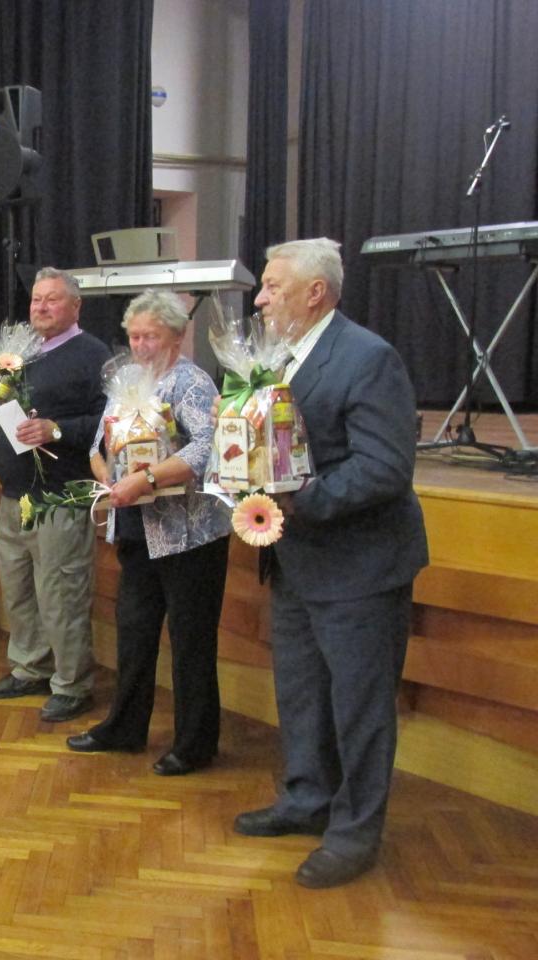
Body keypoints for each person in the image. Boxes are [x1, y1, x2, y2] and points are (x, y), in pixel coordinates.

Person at [232, 238, 427, 889]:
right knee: (303, 695)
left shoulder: (367, 357)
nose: (260, 299)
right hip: (295, 562)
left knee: (360, 709)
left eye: (273, 287)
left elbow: (385, 468)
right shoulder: (276, 361)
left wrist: (300, 500)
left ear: (316, 292)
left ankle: (355, 833)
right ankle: (307, 799)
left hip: (360, 569)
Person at [65, 291, 231, 775]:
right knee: (134, 634)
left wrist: (148, 479)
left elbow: (207, 447)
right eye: (134, 336)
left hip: (189, 535)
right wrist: (105, 474)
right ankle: (125, 727)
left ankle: (195, 743)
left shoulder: (191, 381)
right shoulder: (127, 382)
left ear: (177, 336)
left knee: (190, 641)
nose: (139, 346)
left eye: (150, 337)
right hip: (137, 531)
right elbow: (98, 444)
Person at [0, 267, 111, 723]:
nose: (41, 307)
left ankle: (71, 683)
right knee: (19, 589)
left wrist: (56, 429)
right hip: (14, 494)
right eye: (36, 300)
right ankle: (30, 667)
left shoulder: (93, 355)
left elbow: (109, 424)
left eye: (52, 299)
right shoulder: (19, 352)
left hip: (61, 495)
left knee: (61, 593)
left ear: (76, 306)